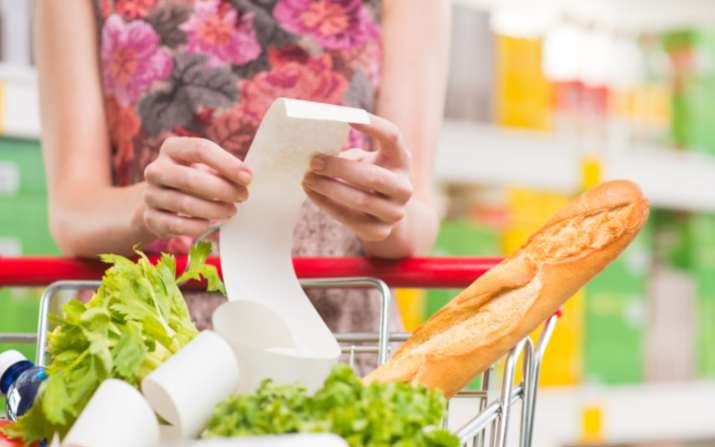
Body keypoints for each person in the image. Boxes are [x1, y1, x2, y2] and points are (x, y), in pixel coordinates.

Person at [35, 0, 449, 338]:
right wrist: (146, 206)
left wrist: (384, 205)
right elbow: (72, 210)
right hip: (150, 343)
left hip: (332, 338)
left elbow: (416, 220)